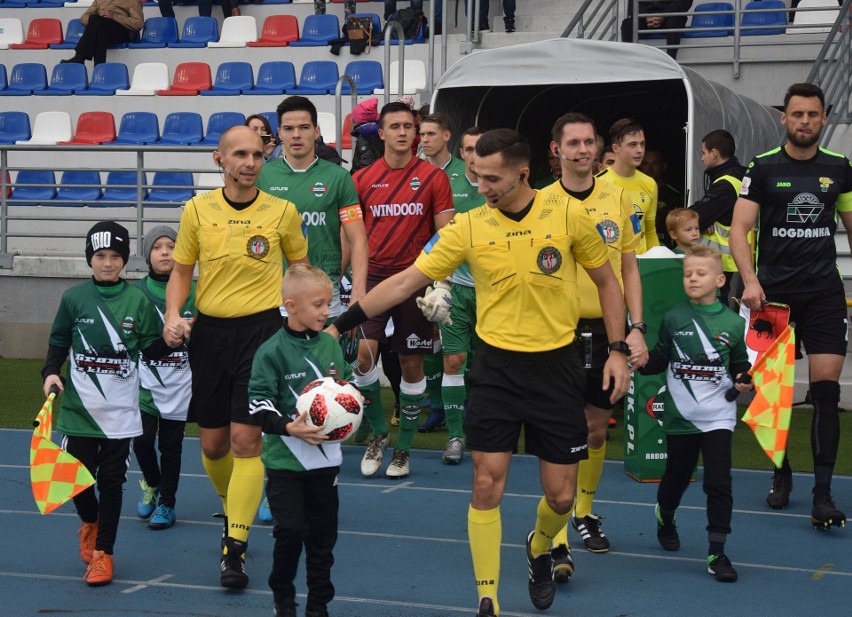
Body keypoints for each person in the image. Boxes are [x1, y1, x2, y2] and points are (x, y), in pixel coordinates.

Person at [327, 128, 632, 616]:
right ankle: (486, 597)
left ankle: (539, 545)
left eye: (493, 178)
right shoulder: (468, 227)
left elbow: (607, 281)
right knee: (487, 482)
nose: (482, 185)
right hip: (496, 369)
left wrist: (618, 348)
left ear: (523, 172)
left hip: (558, 367)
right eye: (476, 175)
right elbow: (406, 280)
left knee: (560, 495)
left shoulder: (570, 215)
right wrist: (341, 322)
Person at [163, 125, 309, 590]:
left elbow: (301, 268)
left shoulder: (283, 211)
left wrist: (306, 316)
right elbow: (182, 271)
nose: (250, 162)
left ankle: (235, 547)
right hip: (209, 336)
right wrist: (173, 314)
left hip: (262, 336)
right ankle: (236, 507)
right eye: (240, 154)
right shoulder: (196, 210)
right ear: (218, 160)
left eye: (257, 154)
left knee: (248, 442)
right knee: (213, 446)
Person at [730, 82, 852, 529]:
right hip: (772, 296)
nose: (804, 122)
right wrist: (749, 281)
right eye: (797, 114)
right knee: (772, 396)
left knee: (825, 393)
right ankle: (780, 475)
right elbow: (738, 230)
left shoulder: (840, 167)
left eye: (813, 115)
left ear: (823, 118)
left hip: (823, 294)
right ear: (784, 117)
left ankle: (823, 493)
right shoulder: (762, 167)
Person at [540, 112, 647, 570]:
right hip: (557, 333)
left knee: (597, 429)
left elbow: (628, 269)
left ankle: (584, 511)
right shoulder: (540, 201)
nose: (583, 150)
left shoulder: (618, 198)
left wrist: (635, 329)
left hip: (608, 332)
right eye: (574, 143)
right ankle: (558, 534)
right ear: (556, 150)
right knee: (564, 431)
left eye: (589, 142)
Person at [41, 221, 175, 586]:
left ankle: (104, 554)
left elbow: (151, 350)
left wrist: (175, 339)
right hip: (77, 414)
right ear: (90, 258)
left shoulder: (137, 301)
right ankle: (89, 522)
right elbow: (57, 343)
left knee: (112, 483)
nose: (108, 263)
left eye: (115, 256)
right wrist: (51, 372)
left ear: (124, 260)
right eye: (100, 256)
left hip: (120, 416)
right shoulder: (73, 299)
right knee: (78, 480)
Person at [350, 101, 454, 479]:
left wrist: (442, 284)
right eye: (393, 126)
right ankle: (379, 433)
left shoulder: (433, 178)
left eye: (408, 126)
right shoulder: (361, 179)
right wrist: (352, 285)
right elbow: (353, 236)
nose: (402, 132)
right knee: (363, 358)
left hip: (415, 281)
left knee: (411, 364)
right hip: (374, 280)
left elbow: (446, 235)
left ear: (415, 132)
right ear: (380, 133)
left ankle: (403, 448)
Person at [639, 244, 752, 581]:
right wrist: (639, 360)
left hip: (719, 416)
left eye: (700, 273)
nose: (692, 279)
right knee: (675, 479)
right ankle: (666, 515)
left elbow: (740, 365)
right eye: (688, 273)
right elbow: (658, 358)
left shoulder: (732, 323)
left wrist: (744, 378)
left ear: (719, 280)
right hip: (681, 418)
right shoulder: (674, 318)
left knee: (719, 483)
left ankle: (717, 552)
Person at [248, 264, 351, 617]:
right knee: (290, 532)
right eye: (318, 305)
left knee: (323, 540)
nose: (327, 312)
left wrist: (353, 408)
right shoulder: (271, 351)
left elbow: (346, 391)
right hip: (285, 463)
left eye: (328, 304)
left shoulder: (331, 347)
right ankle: (284, 599)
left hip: (326, 464)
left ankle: (319, 606)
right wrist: (289, 428)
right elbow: (257, 403)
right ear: (291, 306)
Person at [257, 96, 368, 314]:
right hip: (274, 296)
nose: (296, 135)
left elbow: (358, 240)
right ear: (279, 133)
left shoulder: (338, 177)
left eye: (304, 127)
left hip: (327, 294)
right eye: (288, 128)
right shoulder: (263, 176)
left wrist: (357, 292)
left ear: (316, 131)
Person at [426, 125, 487, 461]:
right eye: (469, 149)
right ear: (461, 152)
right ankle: (455, 436)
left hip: (495, 292)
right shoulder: (448, 187)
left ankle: (483, 428)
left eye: (481, 148)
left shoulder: (504, 186)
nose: (475, 156)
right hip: (458, 290)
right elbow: (440, 238)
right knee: (454, 360)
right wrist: (440, 283)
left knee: (487, 366)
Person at [133, 226, 196, 531]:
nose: (165, 252)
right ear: (148, 255)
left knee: (172, 447)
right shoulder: (137, 292)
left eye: (171, 246)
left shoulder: (195, 291)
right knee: (142, 441)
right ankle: (152, 482)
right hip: (146, 383)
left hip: (181, 383)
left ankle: (166, 504)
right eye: (157, 247)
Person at [691, 130, 747, 306]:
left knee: (715, 312)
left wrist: (703, 220)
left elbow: (694, 218)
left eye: (703, 153)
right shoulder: (737, 176)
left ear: (714, 153)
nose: (701, 158)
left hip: (720, 261)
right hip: (724, 261)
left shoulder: (727, 184)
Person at [597, 118, 659, 254]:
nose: (640, 150)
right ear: (615, 148)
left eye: (642, 144)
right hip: (610, 265)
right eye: (632, 145)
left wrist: (655, 263)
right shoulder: (598, 183)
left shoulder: (649, 184)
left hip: (641, 265)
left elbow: (650, 231)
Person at [60, 0, 143, 66]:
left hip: (123, 31)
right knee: (100, 32)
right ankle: (99, 68)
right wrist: (95, 24)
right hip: (103, 28)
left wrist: (113, 16)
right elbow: (84, 17)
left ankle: (79, 57)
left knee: (96, 20)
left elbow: (138, 23)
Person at [639, 149, 684, 247]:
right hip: (640, 248)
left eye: (655, 164)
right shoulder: (633, 192)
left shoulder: (675, 195)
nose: (650, 169)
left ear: (663, 166)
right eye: (646, 164)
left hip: (668, 250)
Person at [621, 1, 693, 59]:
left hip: (670, 17)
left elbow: (684, 2)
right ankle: (629, 60)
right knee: (627, 24)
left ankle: (671, 60)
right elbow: (632, 4)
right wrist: (645, 16)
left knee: (675, 21)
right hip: (645, 19)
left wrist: (664, 15)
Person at [419, 113, 466, 181]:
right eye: (422, 134)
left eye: (431, 134)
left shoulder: (465, 170)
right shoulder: (414, 171)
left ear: (446, 136)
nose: (425, 140)